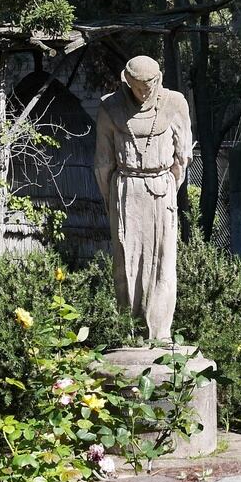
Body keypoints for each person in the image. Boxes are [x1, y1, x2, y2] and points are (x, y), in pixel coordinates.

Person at [93, 55, 192, 342]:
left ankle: (161, 333)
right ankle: (131, 331)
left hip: (162, 188)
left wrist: (169, 185)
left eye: (149, 84)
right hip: (125, 191)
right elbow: (103, 161)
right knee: (126, 259)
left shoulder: (175, 103)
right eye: (138, 86)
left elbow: (182, 155)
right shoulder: (109, 108)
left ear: (158, 79)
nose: (145, 90)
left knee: (164, 260)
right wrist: (112, 198)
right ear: (128, 82)